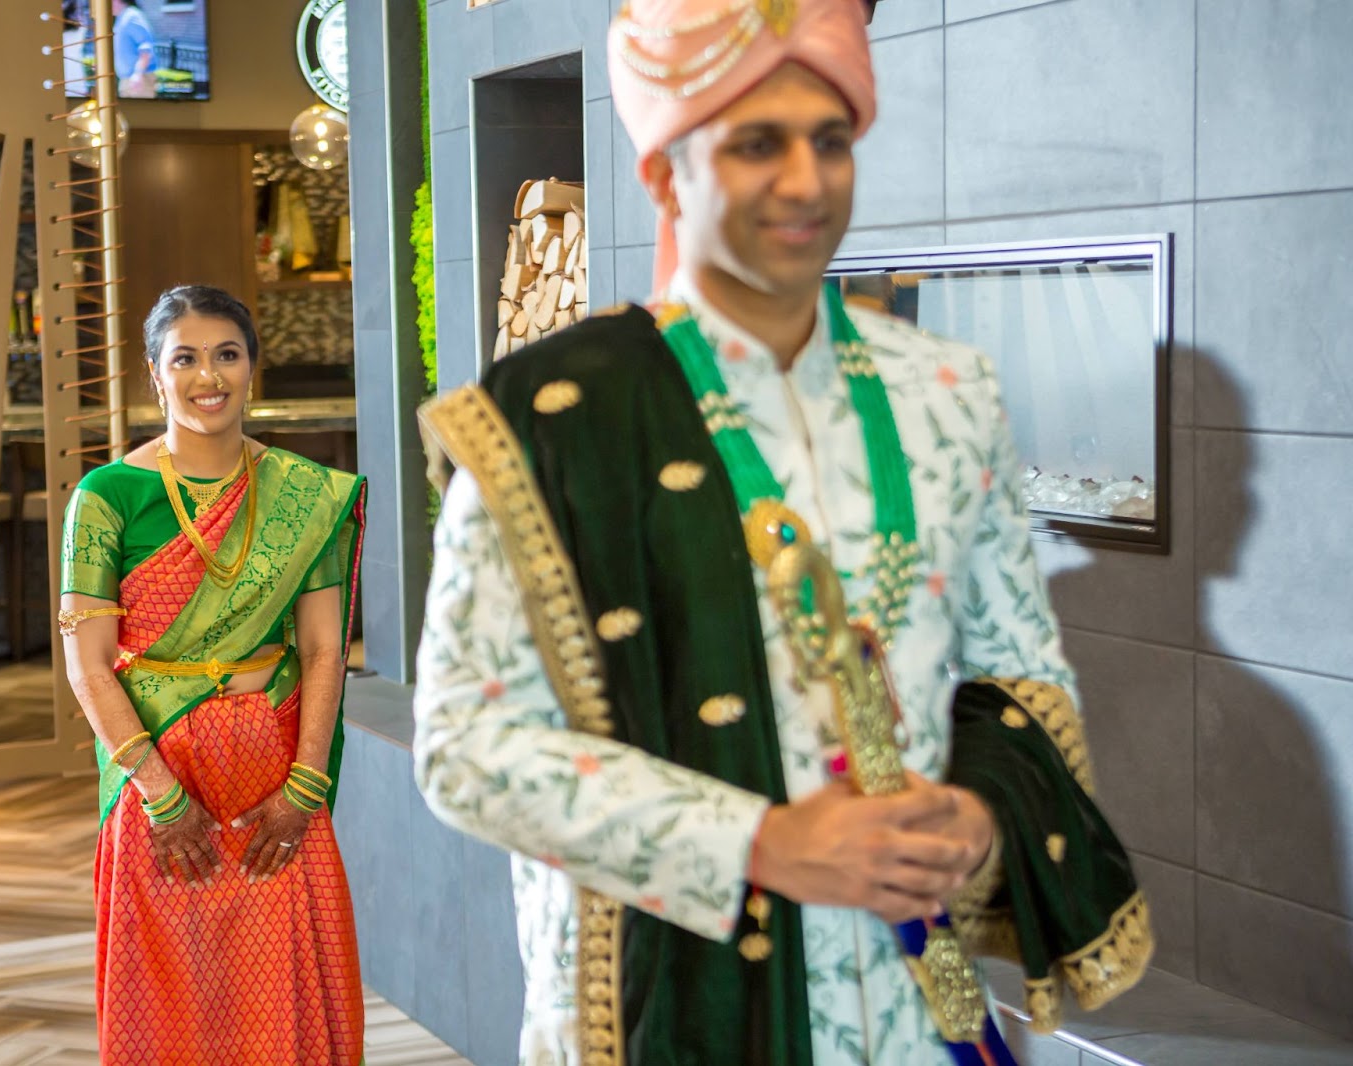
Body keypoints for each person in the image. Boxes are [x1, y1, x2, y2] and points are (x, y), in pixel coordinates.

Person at [411, 1, 1150, 1063]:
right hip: (659, 1002)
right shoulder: (551, 417)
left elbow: (1018, 677)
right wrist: (763, 843)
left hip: (911, 998)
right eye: (757, 144)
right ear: (664, 175)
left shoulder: (949, 393)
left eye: (830, 140)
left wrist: (977, 820)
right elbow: (464, 749)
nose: (805, 181)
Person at [59, 285, 366, 1065]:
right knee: (169, 1001)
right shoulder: (107, 498)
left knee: (288, 996)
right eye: (185, 358)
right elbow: (88, 666)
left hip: (276, 783)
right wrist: (163, 799)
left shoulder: (303, 493)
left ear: (252, 368)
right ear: (154, 374)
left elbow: (323, 650)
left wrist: (305, 788)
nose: (209, 376)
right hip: (158, 779)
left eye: (227, 354)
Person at [111, 0, 157, 99]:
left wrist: (138, 74)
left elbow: (145, 47)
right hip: (128, 80)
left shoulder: (132, 16)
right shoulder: (122, 18)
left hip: (139, 81)